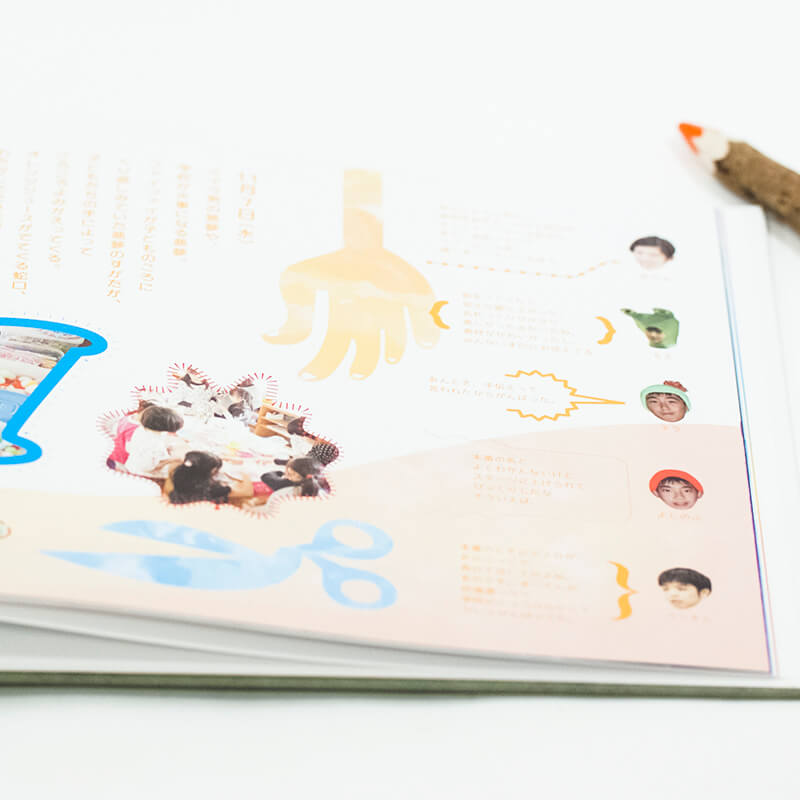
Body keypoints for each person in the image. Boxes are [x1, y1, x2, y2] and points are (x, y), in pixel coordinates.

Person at [165, 450, 272, 505]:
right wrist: (245, 473)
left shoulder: (178, 474)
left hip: (177, 502)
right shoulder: (212, 489)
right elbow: (247, 492)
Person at [124, 405, 185, 477]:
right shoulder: (155, 444)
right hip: (142, 475)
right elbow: (147, 468)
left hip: (131, 466)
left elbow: (129, 448)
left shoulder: (140, 429)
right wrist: (172, 460)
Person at [260, 456, 328, 497]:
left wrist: (281, 473)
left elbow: (265, 477)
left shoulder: (287, 491)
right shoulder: (322, 488)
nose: (287, 477)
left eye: (290, 474)